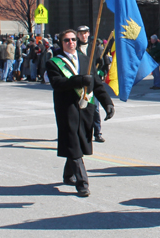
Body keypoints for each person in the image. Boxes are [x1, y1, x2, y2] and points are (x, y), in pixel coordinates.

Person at [46, 29, 115, 197]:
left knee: (81, 143)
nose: (70, 43)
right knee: (72, 142)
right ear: (61, 43)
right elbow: (57, 83)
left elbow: (97, 84)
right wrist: (79, 80)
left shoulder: (86, 59)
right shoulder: (54, 62)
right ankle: (82, 183)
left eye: (73, 40)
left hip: (86, 108)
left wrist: (108, 103)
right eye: (66, 40)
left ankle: (68, 175)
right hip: (67, 108)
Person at [76, 25, 107, 143]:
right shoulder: (75, 48)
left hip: (93, 82)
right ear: (78, 35)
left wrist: (101, 70)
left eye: (85, 33)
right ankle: (79, 132)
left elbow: (104, 63)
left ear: (88, 34)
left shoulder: (95, 48)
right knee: (79, 108)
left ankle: (97, 133)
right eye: (81, 33)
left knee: (95, 108)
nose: (83, 35)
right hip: (80, 82)